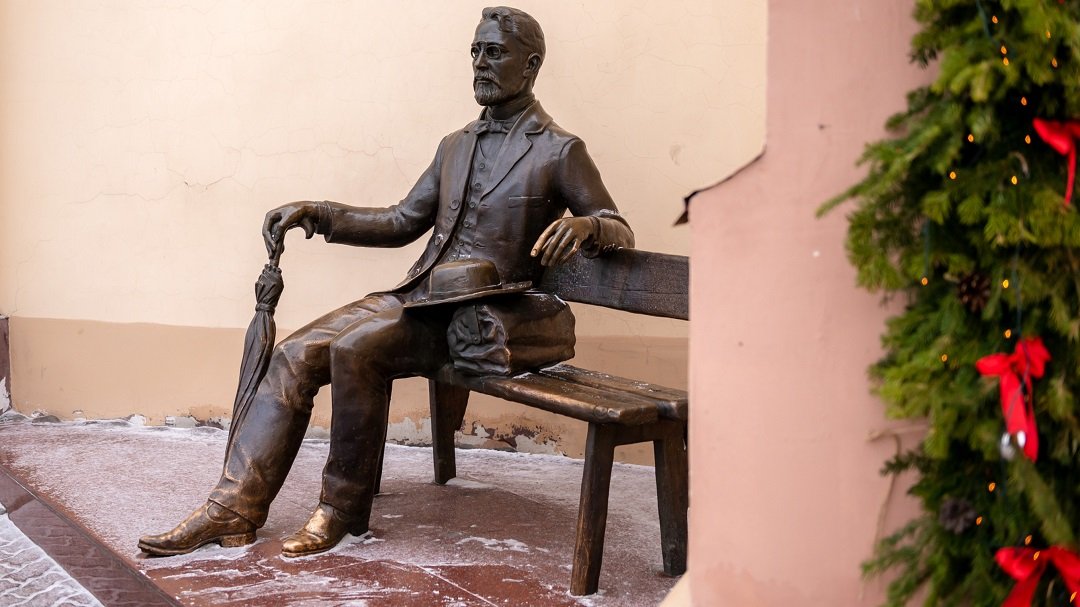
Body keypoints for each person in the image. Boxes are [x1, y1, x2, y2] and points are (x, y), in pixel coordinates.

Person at [138, 6, 634, 558]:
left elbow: (617, 226)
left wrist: (589, 226)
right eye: (475, 51)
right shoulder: (456, 145)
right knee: (294, 354)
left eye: (494, 52)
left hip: (477, 317)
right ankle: (233, 510)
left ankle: (341, 509)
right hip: (417, 297)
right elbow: (401, 221)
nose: (479, 63)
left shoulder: (559, 150)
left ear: (531, 64)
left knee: (356, 349)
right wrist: (319, 213)